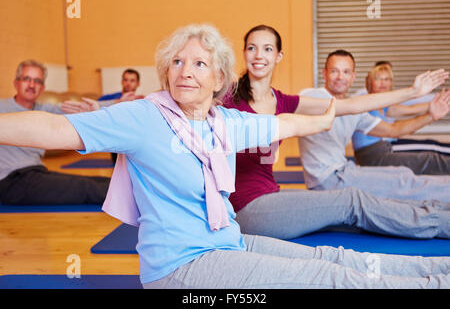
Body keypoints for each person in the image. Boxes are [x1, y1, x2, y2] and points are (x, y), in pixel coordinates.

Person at [1, 25, 449, 289]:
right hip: (182, 270)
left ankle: (437, 270)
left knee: (330, 257)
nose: (185, 71)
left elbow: (292, 123)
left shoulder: (223, 122)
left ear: (218, 76)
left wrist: (336, 105)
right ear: (165, 72)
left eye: (198, 63)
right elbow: (52, 127)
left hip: (226, 239)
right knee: (323, 281)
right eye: (177, 62)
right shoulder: (142, 117)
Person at [222, 24, 450, 241]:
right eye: (252, 48)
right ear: (244, 53)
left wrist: (412, 92)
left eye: (267, 49)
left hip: (270, 195)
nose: (259, 55)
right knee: (353, 201)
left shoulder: (283, 101)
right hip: (247, 207)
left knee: (383, 190)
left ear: (279, 56)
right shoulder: (226, 99)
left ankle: (439, 212)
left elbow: (353, 106)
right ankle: (442, 223)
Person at [297, 49, 450, 204]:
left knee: (400, 174)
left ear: (353, 77)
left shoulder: (355, 110)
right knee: (402, 183)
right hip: (328, 179)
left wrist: (430, 116)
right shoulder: (312, 96)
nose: (340, 77)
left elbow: (393, 130)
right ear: (324, 74)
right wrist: (412, 92)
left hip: (344, 171)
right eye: (334, 71)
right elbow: (346, 106)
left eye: (346, 72)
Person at [0, 60, 110, 206]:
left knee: (92, 180)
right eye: (26, 79)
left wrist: (122, 102)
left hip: (36, 172)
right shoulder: (2, 107)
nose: (32, 85)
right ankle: (134, 196)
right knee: (86, 188)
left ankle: (133, 190)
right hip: (11, 181)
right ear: (16, 83)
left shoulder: (44, 110)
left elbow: (83, 107)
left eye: (37, 81)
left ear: (43, 88)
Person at [352, 63, 450, 174]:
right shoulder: (367, 101)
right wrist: (431, 116)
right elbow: (394, 130)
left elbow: (411, 109)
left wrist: (437, 105)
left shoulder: (383, 106)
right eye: (378, 79)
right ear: (370, 82)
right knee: (431, 157)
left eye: (387, 79)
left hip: (384, 148)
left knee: (431, 145)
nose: (383, 83)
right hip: (374, 154)